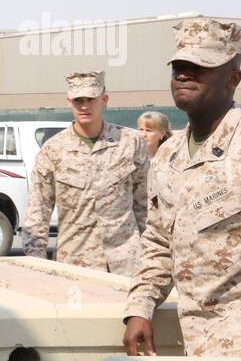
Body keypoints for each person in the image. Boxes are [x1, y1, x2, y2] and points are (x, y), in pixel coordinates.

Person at [124, 18, 241, 357]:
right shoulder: (168, 155)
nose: (183, 75)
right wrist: (140, 306)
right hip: (192, 337)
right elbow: (159, 240)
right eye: (179, 67)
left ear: (233, 79)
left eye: (199, 67)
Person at [21, 70, 148, 276]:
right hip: (75, 265)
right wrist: (38, 265)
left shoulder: (131, 143)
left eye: (91, 99)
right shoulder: (53, 150)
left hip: (127, 266)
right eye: (78, 100)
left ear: (104, 99)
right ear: (68, 101)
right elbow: (38, 213)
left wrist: (150, 262)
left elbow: (146, 207)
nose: (84, 106)